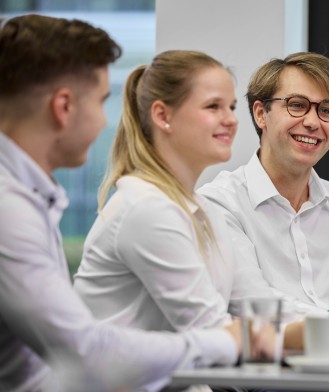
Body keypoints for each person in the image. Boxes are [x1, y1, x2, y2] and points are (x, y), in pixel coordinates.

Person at [0, 15, 238, 392]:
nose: (104, 120)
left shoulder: (28, 196)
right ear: (63, 107)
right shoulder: (9, 210)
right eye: (100, 101)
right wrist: (228, 341)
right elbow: (85, 351)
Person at [198, 52, 329, 347]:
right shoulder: (220, 203)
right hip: (275, 372)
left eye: (326, 110)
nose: (313, 122)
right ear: (261, 114)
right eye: (297, 105)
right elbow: (255, 308)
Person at [73, 50, 245, 337]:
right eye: (214, 106)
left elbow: (251, 303)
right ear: (163, 115)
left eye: (232, 107)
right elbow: (212, 329)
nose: (231, 120)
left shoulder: (205, 209)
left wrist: (328, 323)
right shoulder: (145, 208)